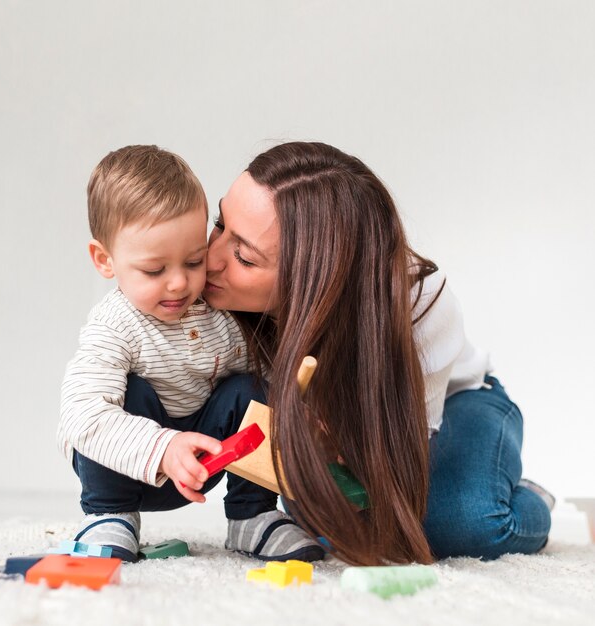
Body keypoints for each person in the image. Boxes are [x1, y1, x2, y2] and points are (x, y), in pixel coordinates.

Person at [203, 141, 553, 566]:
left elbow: (401, 456)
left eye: (242, 256)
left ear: (316, 277)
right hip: (336, 431)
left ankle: (529, 496)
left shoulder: (419, 301)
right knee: (321, 518)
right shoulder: (199, 289)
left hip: (451, 408)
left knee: (462, 521)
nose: (211, 260)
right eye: (220, 224)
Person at [58, 145, 323, 562]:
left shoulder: (218, 312)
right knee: (130, 391)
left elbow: (270, 378)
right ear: (105, 260)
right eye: (154, 270)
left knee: (254, 388)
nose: (180, 284)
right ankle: (109, 515)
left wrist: (299, 407)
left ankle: (252, 516)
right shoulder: (113, 325)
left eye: (194, 260)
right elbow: (81, 416)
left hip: (205, 460)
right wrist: (163, 447)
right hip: (129, 464)